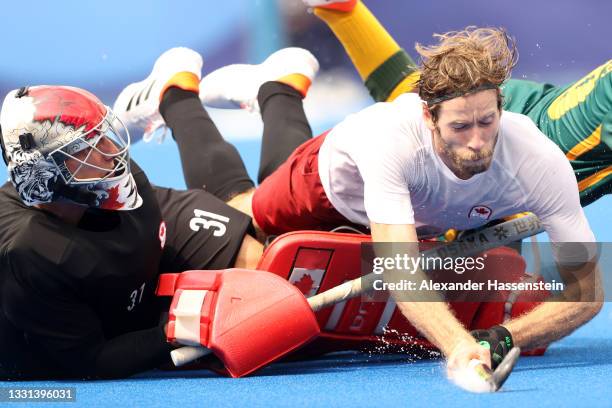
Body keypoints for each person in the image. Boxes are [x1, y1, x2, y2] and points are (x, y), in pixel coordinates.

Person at [189, 26, 603, 373]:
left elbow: (588, 294)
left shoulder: (538, 160)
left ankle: (280, 85)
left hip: (414, 221)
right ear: (429, 117)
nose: (477, 142)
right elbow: (401, 272)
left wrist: (501, 337)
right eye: (460, 126)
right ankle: (193, 93)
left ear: (501, 105)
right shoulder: (392, 141)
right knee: (240, 218)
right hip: (325, 189)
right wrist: (458, 346)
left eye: (487, 121)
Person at [0, 47, 319, 379]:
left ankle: (184, 95)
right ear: (51, 174)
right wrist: (182, 327)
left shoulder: (115, 179)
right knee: (282, 299)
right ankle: (192, 95)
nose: (114, 150)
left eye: (102, 135)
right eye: (90, 146)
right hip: (99, 327)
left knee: (281, 262)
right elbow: (90, 359)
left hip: (142, 238)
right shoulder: (29, 255)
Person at [301, 0, 611, 207]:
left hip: (528, 113)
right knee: (416, 105)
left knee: (413, 98)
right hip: (510, 155)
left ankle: (342, 11)